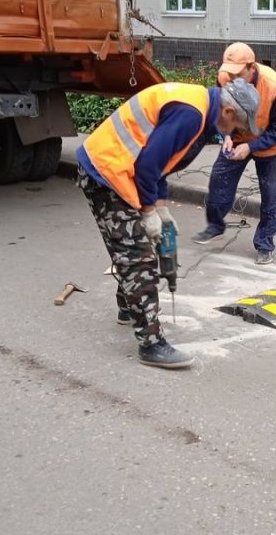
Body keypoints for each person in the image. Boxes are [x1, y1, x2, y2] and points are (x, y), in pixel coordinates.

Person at [76, 78, 260, 370]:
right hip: (107, 172)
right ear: (227, 112)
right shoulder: (192, 114)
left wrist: (162, 210)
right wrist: (148, 211)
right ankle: (151, 344)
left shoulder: (201, 109)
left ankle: (128, 308)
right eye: (238, 126)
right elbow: (147, 165)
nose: (237, 133)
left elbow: (159, 163)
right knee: (138, 258)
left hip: (115, 166)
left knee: (135, 246)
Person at [192, 42, 276, 265]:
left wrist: (251, 147)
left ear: (251, 67)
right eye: (229, 71)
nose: (233, 77)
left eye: (238, 73)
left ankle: (265, 244)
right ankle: (215, 225)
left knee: (272, 194)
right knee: (219, 179)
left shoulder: (273, 86)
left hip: (270, 146)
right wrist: (224, 136)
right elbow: (219, 111)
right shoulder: (225, 78)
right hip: (236, 139)